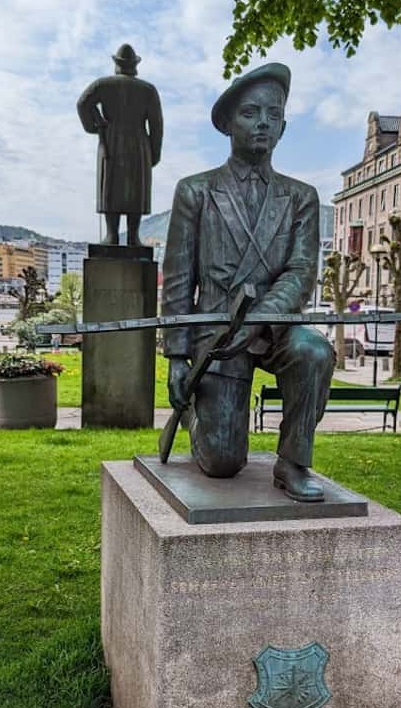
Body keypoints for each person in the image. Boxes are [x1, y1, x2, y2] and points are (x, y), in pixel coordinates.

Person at [161, 63, 334, 502]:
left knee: (314, 350)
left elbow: (301, 271)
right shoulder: (195, 191)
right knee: (221, 463)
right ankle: (195, 415)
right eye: (251, 113)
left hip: (272, 325)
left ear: (283, 127)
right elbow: (179, 277)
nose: (262, 123)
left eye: (272, 115)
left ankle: (293, 462)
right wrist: (178, 357)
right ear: (228, 123)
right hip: (216, 333)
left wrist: (259, 318)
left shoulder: (300, 197)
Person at [76, 44, 164, 246]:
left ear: (117, 64)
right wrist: (154, 153)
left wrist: (93, 125)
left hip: (111, 141)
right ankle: (133, 236)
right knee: (136, 190)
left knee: (111, 188)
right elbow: (157, 125)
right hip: (139, 145)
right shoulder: (148, 90)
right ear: (134, 66)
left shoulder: (102, 85)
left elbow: (82, 104)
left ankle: (112, 235)